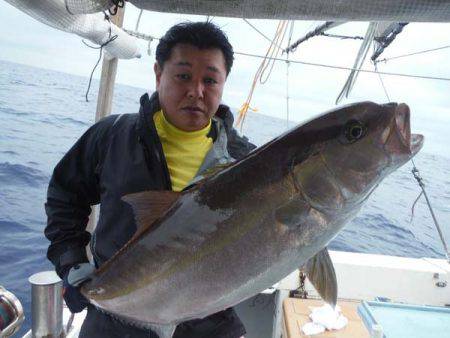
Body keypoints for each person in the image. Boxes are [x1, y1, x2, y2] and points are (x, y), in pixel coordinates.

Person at [44, 21, 256, 338]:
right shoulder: (112, 136)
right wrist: (72, 262)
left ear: (223, 84)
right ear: (158, 74)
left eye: (210, 80)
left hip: (206, 323)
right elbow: (65, 195)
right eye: (183, 76)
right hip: (116, 320)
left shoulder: (245, 162)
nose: (196, 91)